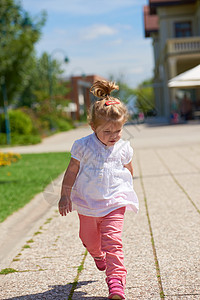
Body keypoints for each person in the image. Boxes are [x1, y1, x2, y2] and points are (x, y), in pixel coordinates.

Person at [58, 80, 139, 300]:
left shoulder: (123, 147)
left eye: (119, 130)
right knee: (89, 239)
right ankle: (97, 254)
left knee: (113, 241)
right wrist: (65, 195)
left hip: (114, 202)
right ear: (93, 127)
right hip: (87, 203)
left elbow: (128, 170)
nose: (114, 135)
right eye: (107, 131)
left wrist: (123, 191)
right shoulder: (82, 146)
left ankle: (116, 283)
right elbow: (72, 171)